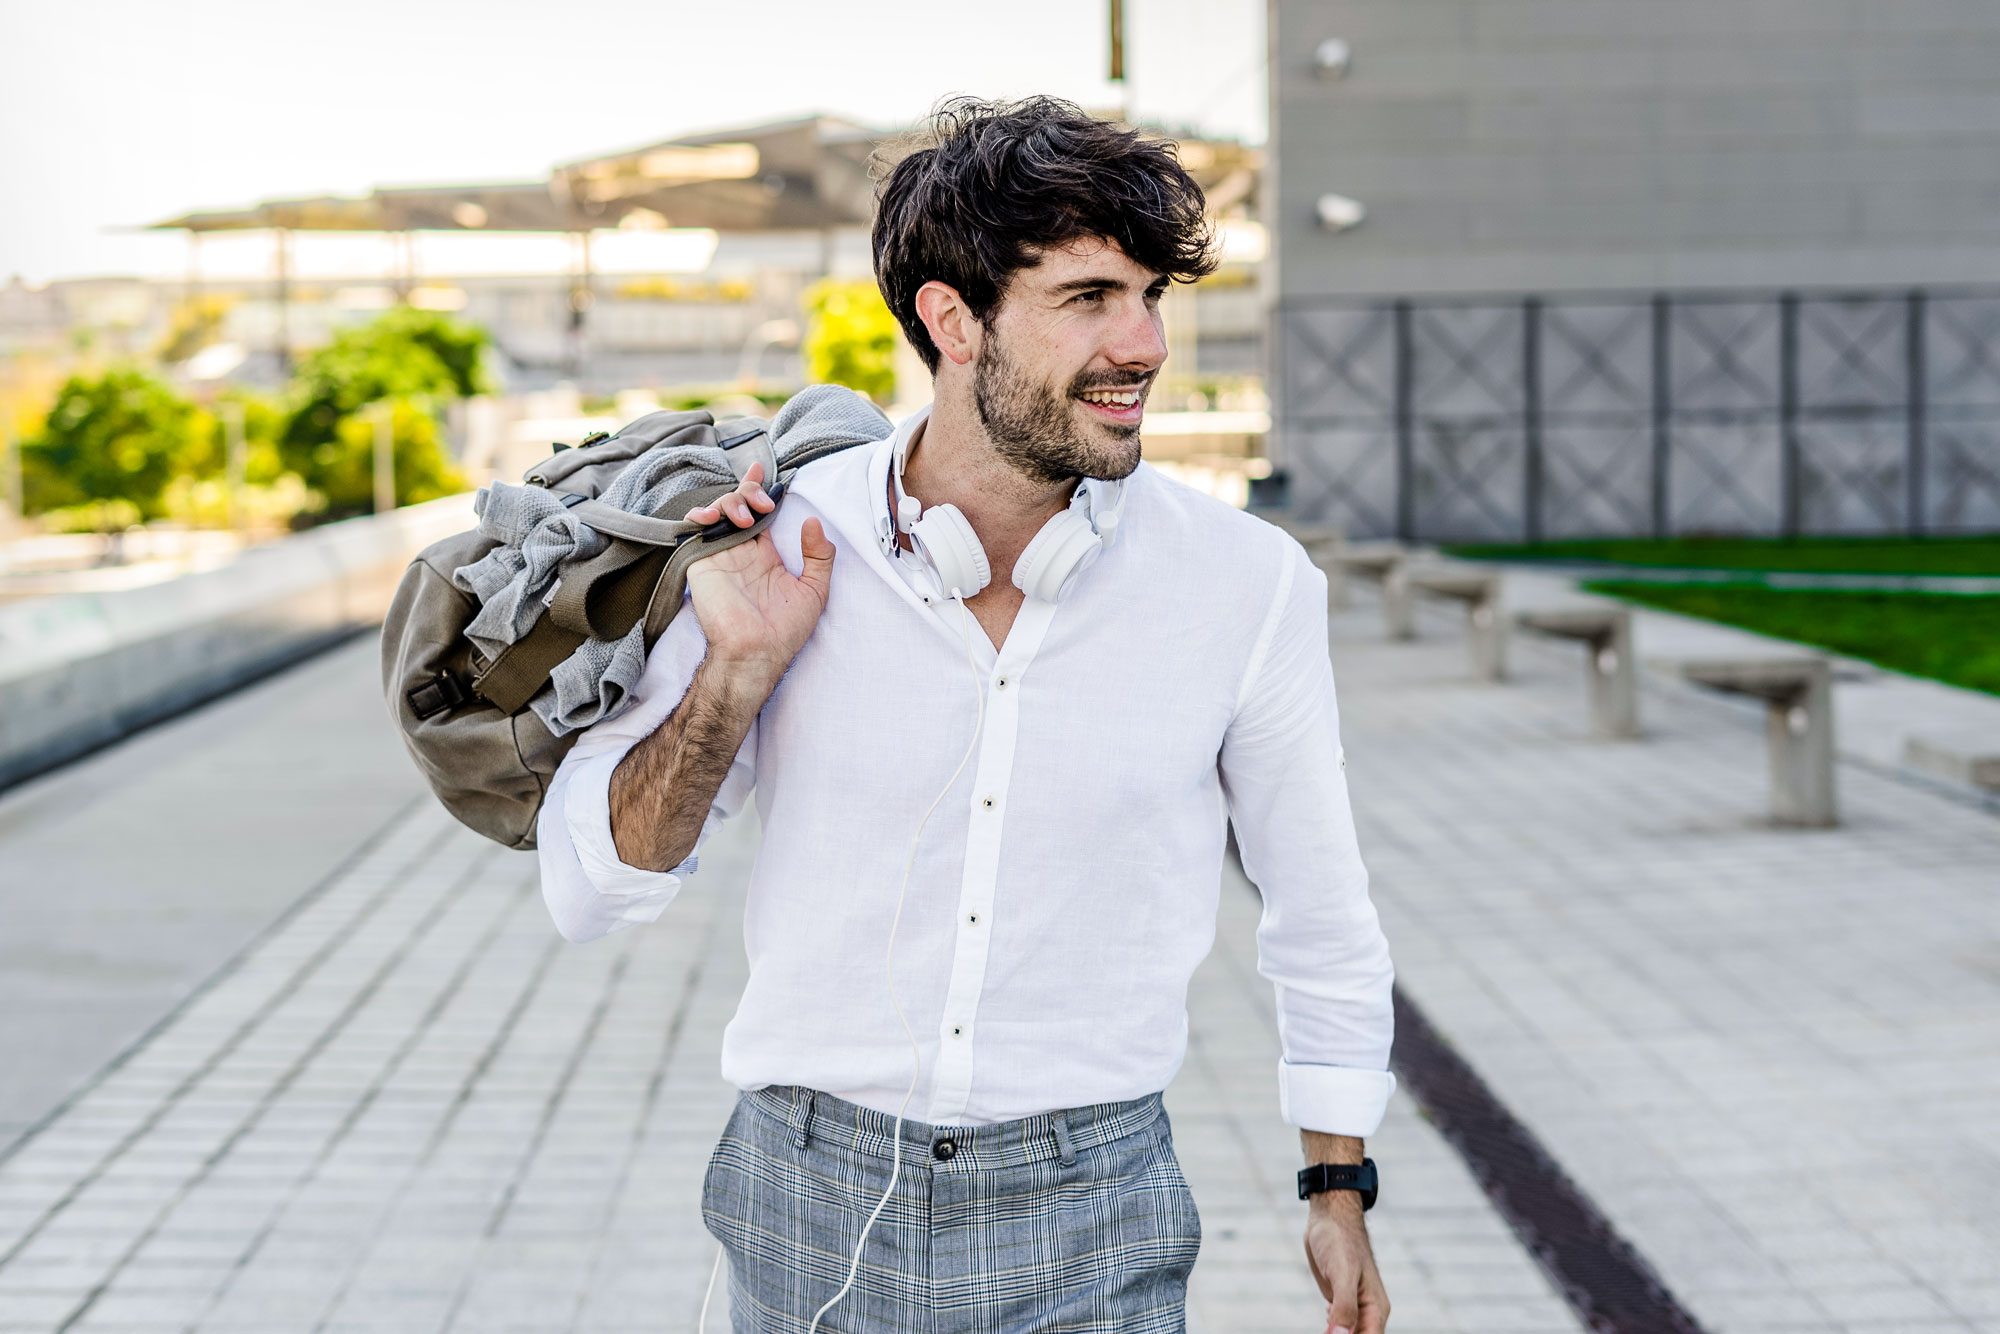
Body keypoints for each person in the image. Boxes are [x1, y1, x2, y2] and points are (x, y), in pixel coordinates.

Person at [537, 95, 1395, 1334]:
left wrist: (1334, 1179)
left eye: (1152, 294)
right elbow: (591, 888)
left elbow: (1318, 908)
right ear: (951, 319)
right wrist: (733, 672)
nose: (1145, 341)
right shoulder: (775, 542)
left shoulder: (1245, 585)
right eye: (1090, 297)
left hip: (1097, 1202)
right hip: (803, 1196)